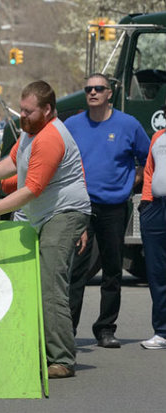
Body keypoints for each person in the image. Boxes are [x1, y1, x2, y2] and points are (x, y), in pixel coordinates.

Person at [0, 80, 91, 379]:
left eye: (29, 111)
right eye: (21, 110)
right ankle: (30, 345)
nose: (23, 116)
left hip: (62, 214)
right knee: (22, 279)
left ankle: (61, 358)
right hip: (39, 214)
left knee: (50, 284)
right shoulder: (30, 132)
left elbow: (32, 189)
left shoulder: (50, 137)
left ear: (47, 110)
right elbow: (12, 160)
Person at [65, 73, 150, 348]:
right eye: (88, 89)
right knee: (77, 270)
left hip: (114, 207)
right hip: (82, 207)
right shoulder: (73, 125)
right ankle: (68, 329)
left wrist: (135, 179)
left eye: (98, 88)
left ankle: (105, 329)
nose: (93, 93)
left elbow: (148, 156)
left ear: (109, 93)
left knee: (113, 271)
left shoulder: (128, 125)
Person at [138, 127, 166, 349]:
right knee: (157, 273)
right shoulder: (159, 136)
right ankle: (162, 331)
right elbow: (149, 171)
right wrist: (146, 202)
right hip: (156, 208)